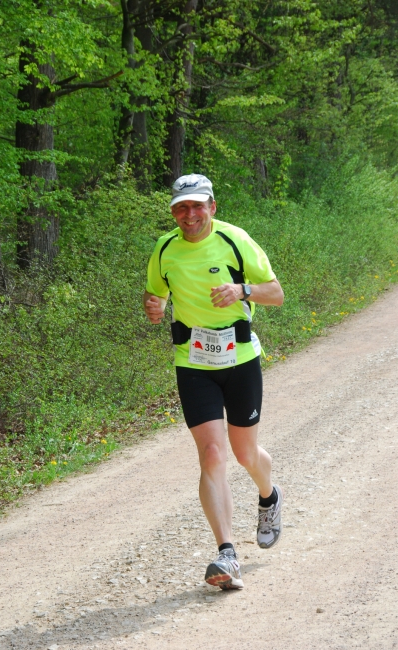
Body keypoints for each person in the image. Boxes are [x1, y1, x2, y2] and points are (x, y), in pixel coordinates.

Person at [143, 174, 284, 590]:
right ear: (173, 211)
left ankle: (269, 495)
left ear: (212, 207)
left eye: (197, 206)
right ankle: (226, 554)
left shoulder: (235, 240)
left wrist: (242, 290)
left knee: (244, 454)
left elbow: (275, 293)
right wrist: (155, 307)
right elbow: (157, 294)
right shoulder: (165, 248)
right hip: (192, 361)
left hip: (240, 359)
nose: (189, 215)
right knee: (211, 453)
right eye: (181, 208)